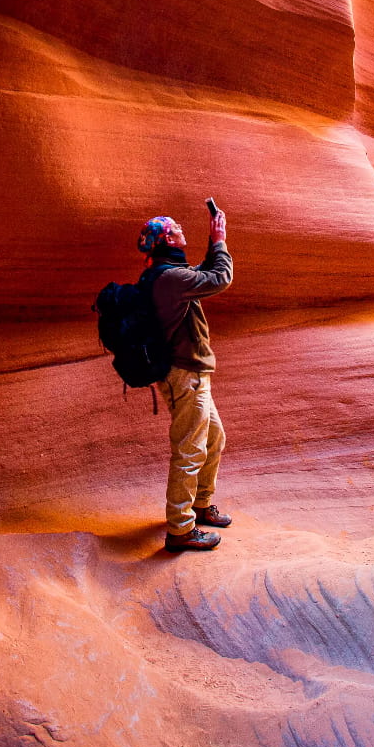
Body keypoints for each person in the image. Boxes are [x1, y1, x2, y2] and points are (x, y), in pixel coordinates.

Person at [137, 206, 233, 552]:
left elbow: (202, 273)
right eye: (176, 228)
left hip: (189, 374)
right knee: (190, 448)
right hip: (184, 376)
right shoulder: (170, 279)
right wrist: (221, 242)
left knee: (212, 439)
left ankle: (200, 504)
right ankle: (180, 528)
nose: (181, 229)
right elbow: (219, 278)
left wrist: (212, 241)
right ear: (167, 239)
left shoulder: (165, 274)